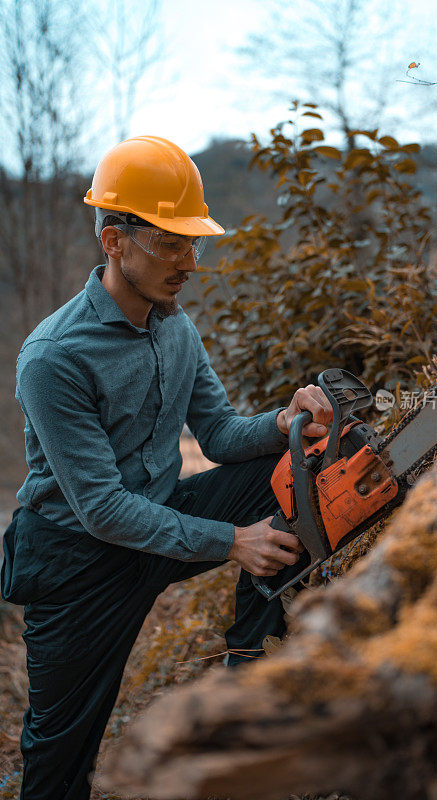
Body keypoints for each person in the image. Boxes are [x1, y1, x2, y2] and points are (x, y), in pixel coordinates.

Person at [0, 135, 333, 800]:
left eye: (192, 242)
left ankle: (250, 658)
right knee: (59, 763)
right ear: (114, 240)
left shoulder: (175, 326)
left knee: (289, 469)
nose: (188, 261)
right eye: (169, 242)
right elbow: (101, 508)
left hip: (156, 527)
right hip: (76, 565)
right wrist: (231, 543)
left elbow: (216, 433)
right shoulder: (53, 358)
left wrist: (280, 422)